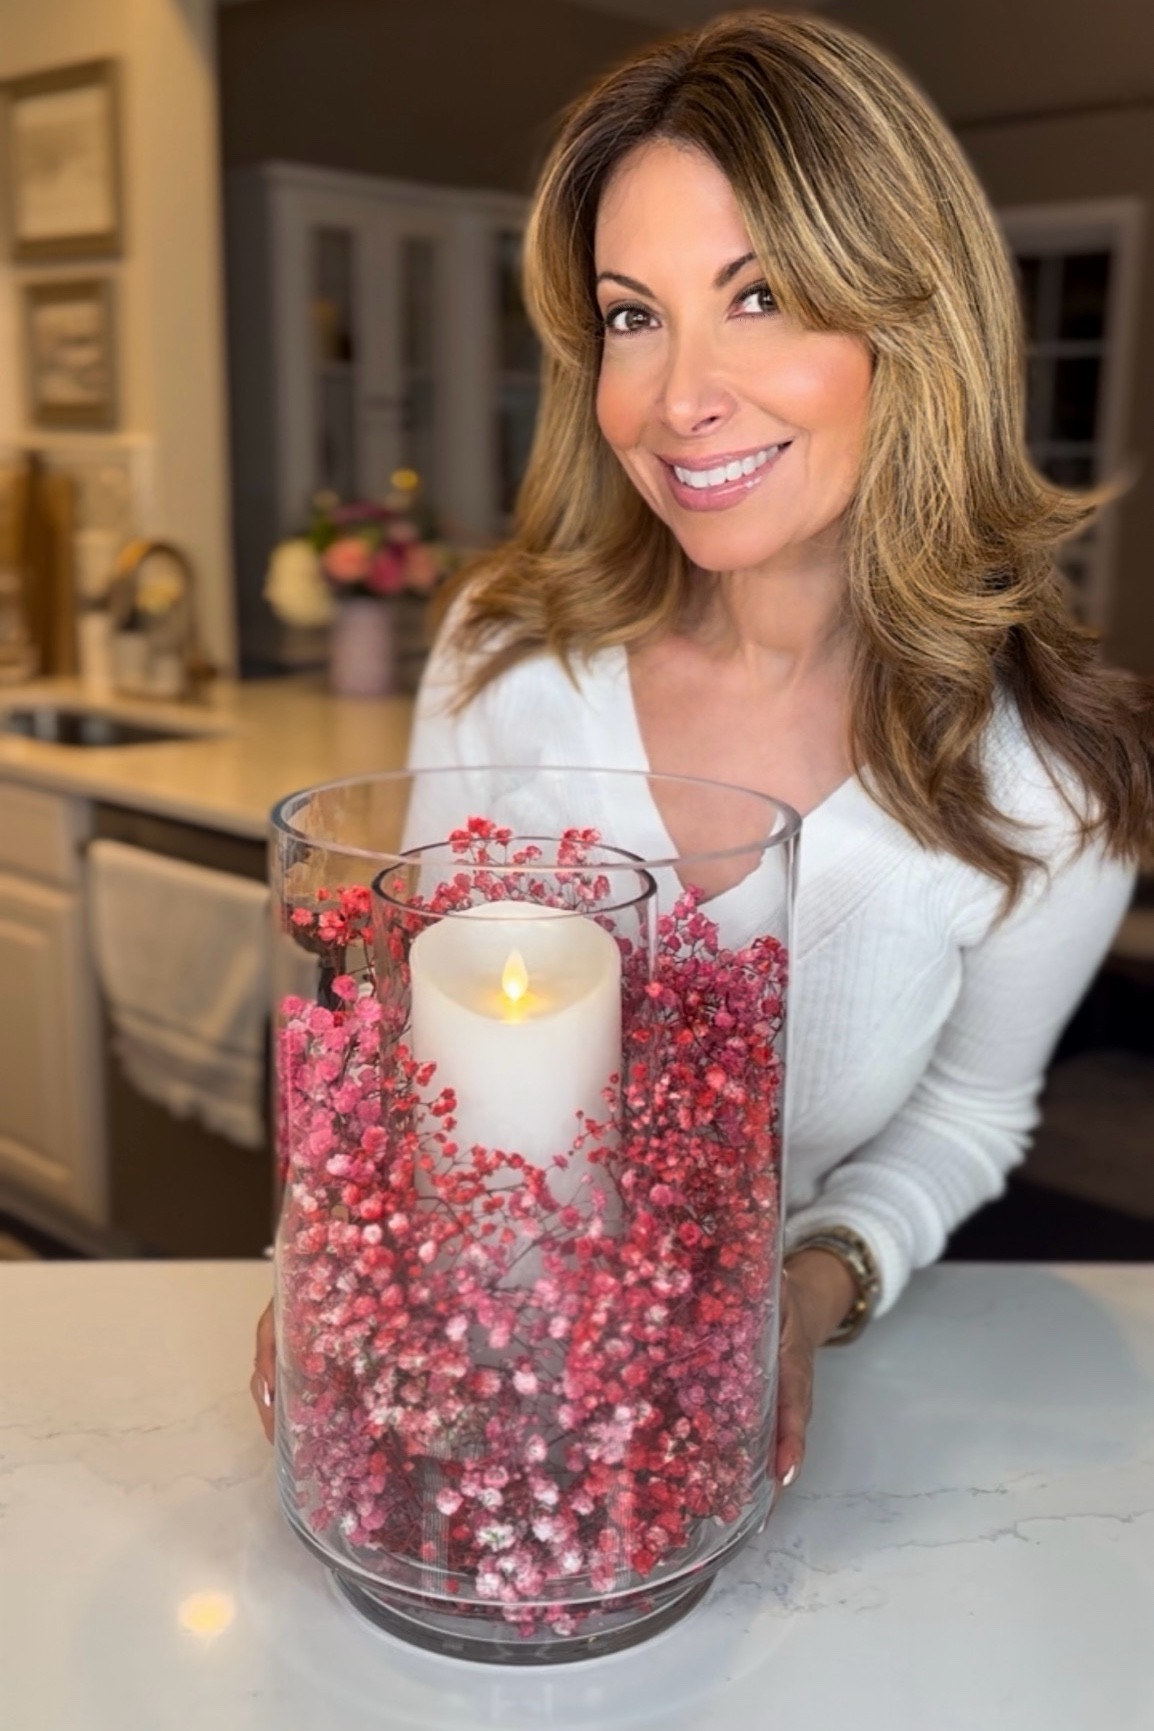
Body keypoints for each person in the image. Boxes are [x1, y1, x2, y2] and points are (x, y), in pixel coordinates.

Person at [253, 10, 1152, 1499]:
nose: (677, 399)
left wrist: (802, 1300)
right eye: (631, 314)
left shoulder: (1049, 785)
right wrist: (338, 1261)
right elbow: (386, 1017)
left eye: (760, 297)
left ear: (909, 325)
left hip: (749, 1459)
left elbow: (968, 1115)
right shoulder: (506, 652)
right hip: (466, 1411)